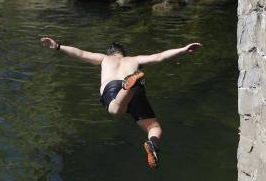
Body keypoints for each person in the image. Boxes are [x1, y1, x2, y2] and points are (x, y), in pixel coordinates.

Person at [39, 37, 202, 169]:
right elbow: (160, 56)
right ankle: (152, 145)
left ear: (110, 53)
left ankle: (127, 88)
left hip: (113, 88)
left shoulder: (104, 59)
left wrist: (58, 46)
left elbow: (80, 53)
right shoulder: (135, 59)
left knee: (115, 111)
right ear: (123, 54)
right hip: (138, 88)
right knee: (153, 127)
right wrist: (183, 49)